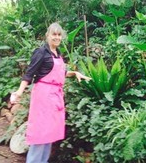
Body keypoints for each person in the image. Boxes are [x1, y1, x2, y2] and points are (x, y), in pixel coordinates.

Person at [10, 22, 92, 163]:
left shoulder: (58, 54)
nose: (57, 37)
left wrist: (76, 73)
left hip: (55, 97)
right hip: (43, 96)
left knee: (49, 135)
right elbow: (29, 74)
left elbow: (61, 72)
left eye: (59, 35)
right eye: (54, 34)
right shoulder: (41, 52)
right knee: (40, 134)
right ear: (48, 35)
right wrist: (19, 92)